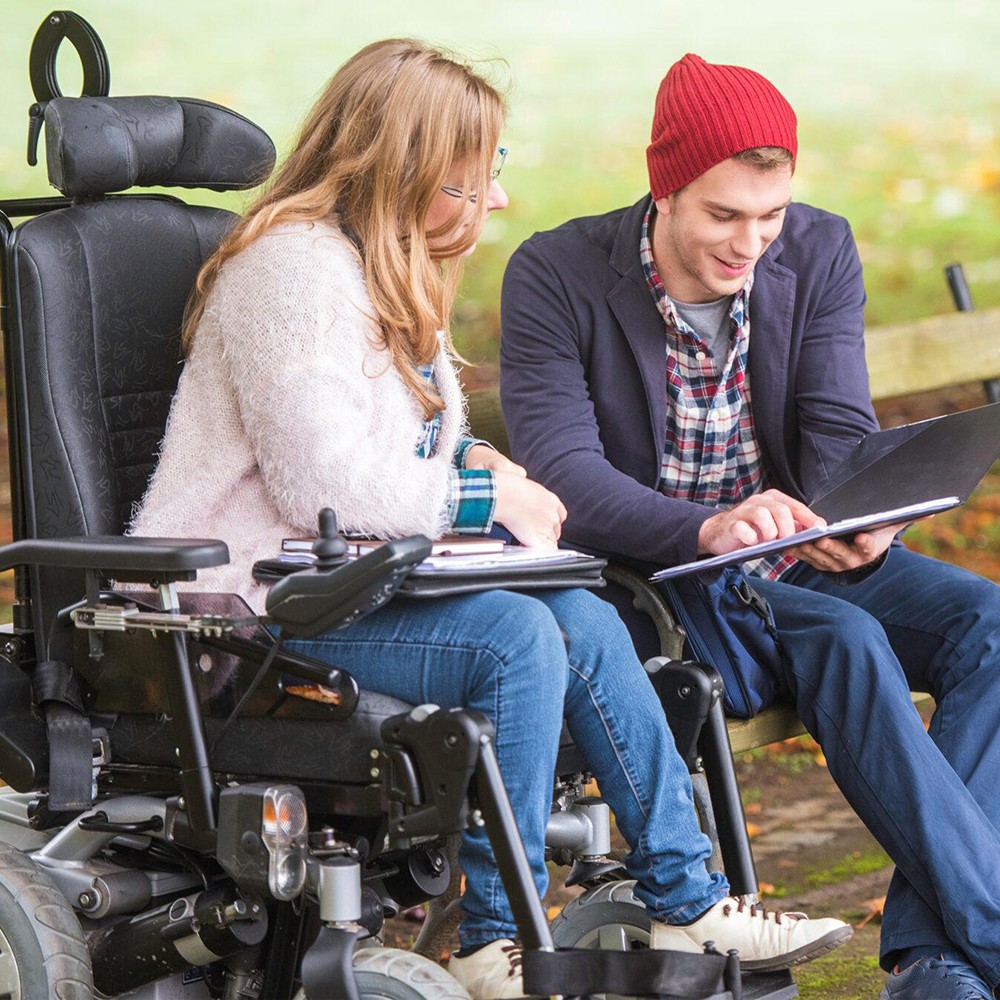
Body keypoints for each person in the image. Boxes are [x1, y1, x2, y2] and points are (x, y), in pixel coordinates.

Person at [131, 40, 850, 1000]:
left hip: (345, 583)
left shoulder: (380, 269)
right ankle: (490, 936)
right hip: (246, 603)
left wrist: (476, 460)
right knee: (514, 635)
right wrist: (483, 497)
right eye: (471, 183)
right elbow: (324, 486)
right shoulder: (291, 271)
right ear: (404, 170)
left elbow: (392, 449)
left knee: (583, 613)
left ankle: (690, 896)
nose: (495, 204)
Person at [500, 51, 1000, 1000]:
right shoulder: (556, 273)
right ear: (664, 188)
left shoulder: (815, 249)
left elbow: (836, 429)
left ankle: (937, 961)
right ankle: (983, 940)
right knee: (847, 638)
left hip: (791, 553)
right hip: (662, 579)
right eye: (723, 215)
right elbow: (564, 475)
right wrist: (710, 529)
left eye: (768, 215)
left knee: (991, 625)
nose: (750, 243)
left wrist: (859, 517)